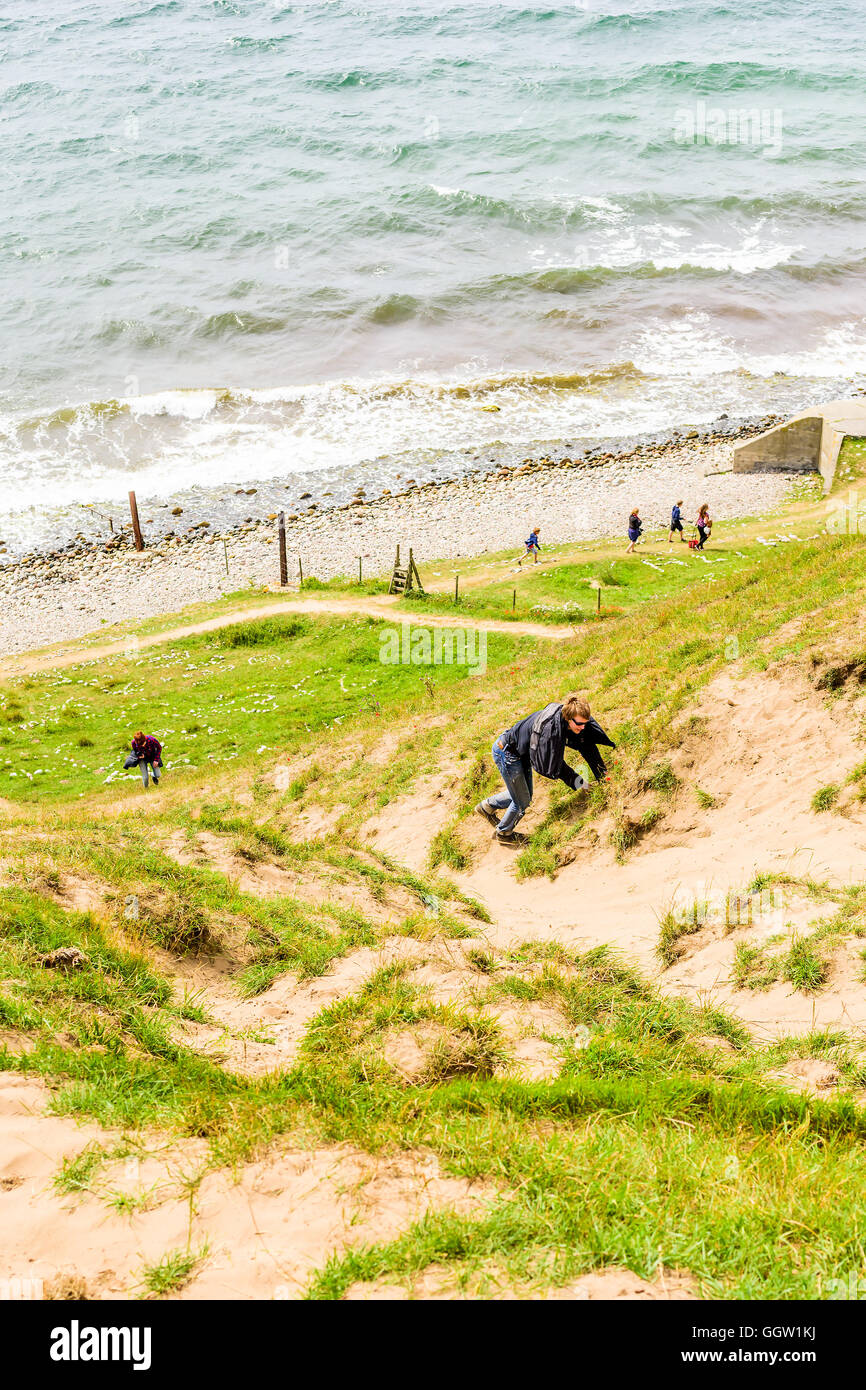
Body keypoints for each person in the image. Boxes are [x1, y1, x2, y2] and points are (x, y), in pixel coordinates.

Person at [476, 693, 615, 843]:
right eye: (580, 724)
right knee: (522, 801)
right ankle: (504, 833)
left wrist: (602, 774)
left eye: (585, 724)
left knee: (524, 794)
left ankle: (486, 807)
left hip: (519, 753)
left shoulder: (570, 721)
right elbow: (557, 766)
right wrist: (580, 783)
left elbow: (587, 745)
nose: (583, 727)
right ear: (568, 718)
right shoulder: (551, 733)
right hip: (507, 753)